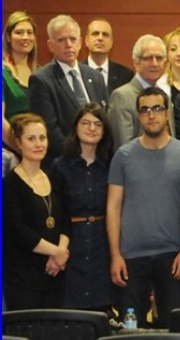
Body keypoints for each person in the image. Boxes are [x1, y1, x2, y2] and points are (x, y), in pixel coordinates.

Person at [106, 87, 180, 328]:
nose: (151, 114)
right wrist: (115, 255)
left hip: (174, 256)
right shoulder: (123, 155)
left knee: (174, 330)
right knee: (130, 331)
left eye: (157, 108)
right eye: (145, 110)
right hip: (131, 258)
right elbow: (113, 207)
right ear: (138, 116)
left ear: (167, 113)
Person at [50, 103, 115, 312]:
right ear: (75, 127)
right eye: (85, 123)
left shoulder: (111, 164)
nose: (92, 128)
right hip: (71, 243)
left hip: (102, 244)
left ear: (104, 131)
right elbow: (56, 212)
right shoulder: (60, 166)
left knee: (102, 310)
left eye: (98, 124)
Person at [3, 113, 70, 310]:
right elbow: (18, 230)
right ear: (18, 143)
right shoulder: (9, 184)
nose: (38, 144)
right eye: (31, 139)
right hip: (23, 279)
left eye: (42, 138)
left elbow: (66, 221)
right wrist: (57, 252)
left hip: (56, 273)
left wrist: (60, 254)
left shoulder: (54, 177)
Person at [28, 15, 108, 163]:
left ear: (80, 42)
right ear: (50, 45)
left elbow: (105, 120)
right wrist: (81, 156)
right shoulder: (41, 80)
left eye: (73, 39)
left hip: (98, 161)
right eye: (61, 40)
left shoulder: (96, 76)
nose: (68, 44)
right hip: (64, 163)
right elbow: (49, 130)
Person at [108, 34, 170, 147]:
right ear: (136, 62)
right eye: (148, 58)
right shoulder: (122, 96)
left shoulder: (165, 97)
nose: (155, 63)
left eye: (159, 58)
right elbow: (124, 148)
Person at [3, 11, 38, 147]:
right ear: (8, 37)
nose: (25, 37)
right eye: (19, 32)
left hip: (38, 149)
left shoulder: (41, 72)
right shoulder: (3, 72)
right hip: (10, 150)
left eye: (29, 32)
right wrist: (21, 148)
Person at [84, 18, 134, 96]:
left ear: (111, 42)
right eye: (95, 34)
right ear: (87, 41)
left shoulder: (126, 76)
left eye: (105, 35)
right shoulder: (76, 72)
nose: (100, 38)